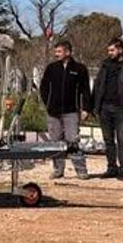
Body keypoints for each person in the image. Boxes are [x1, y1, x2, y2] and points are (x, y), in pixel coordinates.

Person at [91, 37, 123, 182]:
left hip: (122, 108)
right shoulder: (105, 64)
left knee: (122, 140)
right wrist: (93, 106)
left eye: (112, 50)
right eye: (108, 50)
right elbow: (97, 85)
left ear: (119, 50)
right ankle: (111, 168)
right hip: (105, 108)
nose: (109, 53)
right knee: (108, 140)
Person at [39, 40, 91, 179]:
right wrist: (48, 103)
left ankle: (81, 170)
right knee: (55, 143)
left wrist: (86, 108)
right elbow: (43, 87)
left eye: (59, 51)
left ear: (68, 52)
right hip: (53, 112)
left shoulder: (80, 69)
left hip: (71, 112)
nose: (56, 54)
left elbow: (85, 90)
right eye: (55, 52)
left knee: (73, 141)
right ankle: (58, 170)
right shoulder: (51, 68)